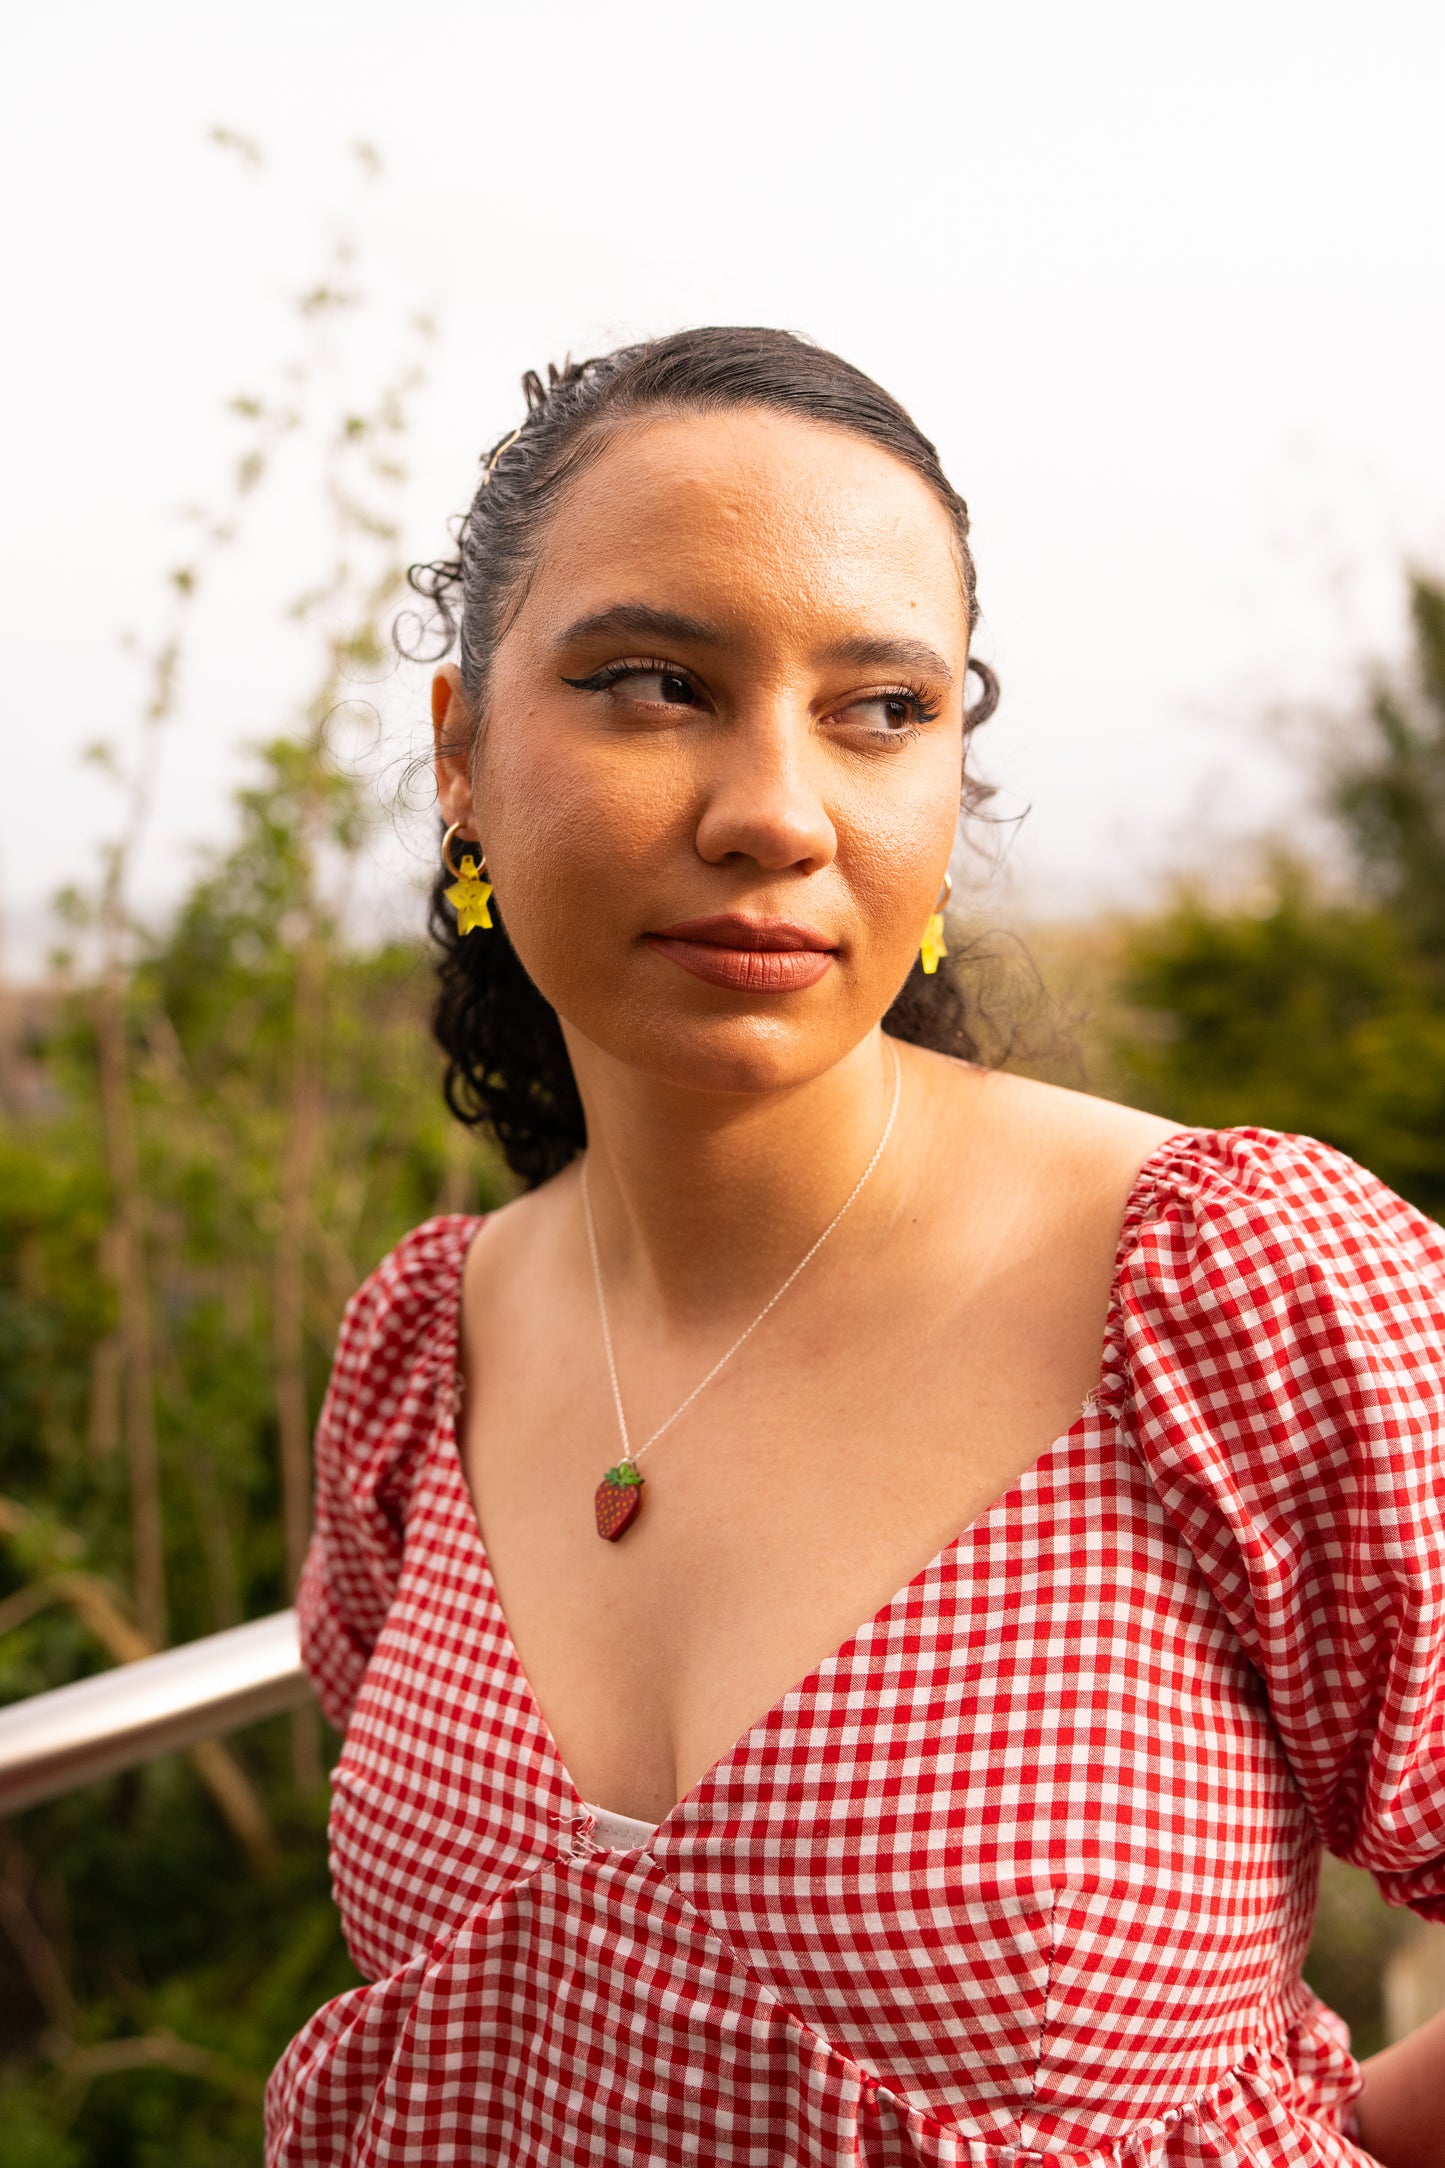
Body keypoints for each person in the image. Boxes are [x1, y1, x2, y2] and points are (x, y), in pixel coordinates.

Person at [263, 327, 1445, 2167]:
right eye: (654, 684)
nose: (775, 813)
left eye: (882, 708)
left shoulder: (1229, 1283)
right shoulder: (431, 1346)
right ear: (462, 755)